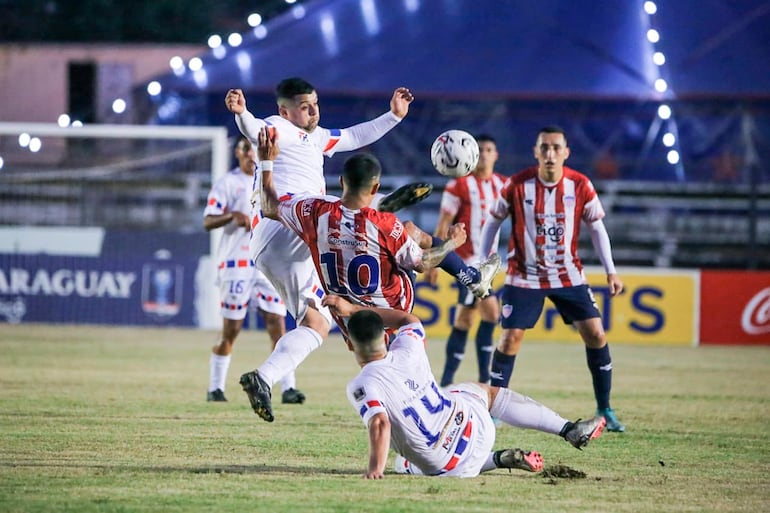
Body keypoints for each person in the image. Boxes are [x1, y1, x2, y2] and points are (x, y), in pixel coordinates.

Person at [224, 78, 430, 422]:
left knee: (316, 323)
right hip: (283, 223)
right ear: (284, 110)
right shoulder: (279, 127)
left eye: (315, 103)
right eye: (305, 106)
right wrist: (242, 113)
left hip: (283, 240)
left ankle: (263, 377)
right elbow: (256, 129)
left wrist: (393, 116)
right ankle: (379, 207)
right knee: (337, 214)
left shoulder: (315, 138)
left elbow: (354, 136)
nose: (313, 110)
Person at [256, 127, 500, 345]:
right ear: (374, 188)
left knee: (374, 369)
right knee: (410, 232)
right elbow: (424, 262)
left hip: (347, 316)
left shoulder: (314, 212)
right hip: (391, 308)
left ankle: (473, 278)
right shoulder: (386, 224)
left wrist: (267, 162)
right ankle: (471, 277)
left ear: (341, 182)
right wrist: (452, 243)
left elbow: (268, 207)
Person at [323, 295, 606, 479]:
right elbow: (407, 319)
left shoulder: (361, 384)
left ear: (350, 345)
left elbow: (380, 424)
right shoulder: (407, 346)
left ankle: (493, 460)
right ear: (386, 338)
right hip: (476, 428)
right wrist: (352, 308)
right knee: (481, 391)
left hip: (447, 469)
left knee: (403, 463)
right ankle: (567, 430)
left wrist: (375, 471)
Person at [479, 125, 626, 432]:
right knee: (510, 339)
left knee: (596, 334)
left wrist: (611, 270)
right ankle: (493, 410)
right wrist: (486, 262)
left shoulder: (580, 185)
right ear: (536, 152)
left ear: (566, 152)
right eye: (544, 147)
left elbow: (598, 229)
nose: (549, 153)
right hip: (525, 275)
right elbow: (492, 222)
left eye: (556, 147)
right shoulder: (517, 185)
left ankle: (605, 409)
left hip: (568, 274)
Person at [202, 136, 304, 404]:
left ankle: (288, 388)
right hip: (236, 265)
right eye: (247, 150)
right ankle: (215, 388)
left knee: (277, 325)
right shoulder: (227, 183)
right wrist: (232, 216)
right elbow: (208, 220)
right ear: (238, 152)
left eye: (255, 151)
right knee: (231, 330)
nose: (251, 156)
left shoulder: (272, 180)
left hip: (267, 266)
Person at [427, 134, 508, 387]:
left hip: (490, 264)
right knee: (491, 312)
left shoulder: (503, 185)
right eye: (481, 149)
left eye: (489, 149)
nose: (484, 153)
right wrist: (435, 259)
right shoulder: (458, 186)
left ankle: (447, 381)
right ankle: (485, 379)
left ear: (496, 155)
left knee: (465, 318)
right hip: (468, 262)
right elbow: (443, 222)